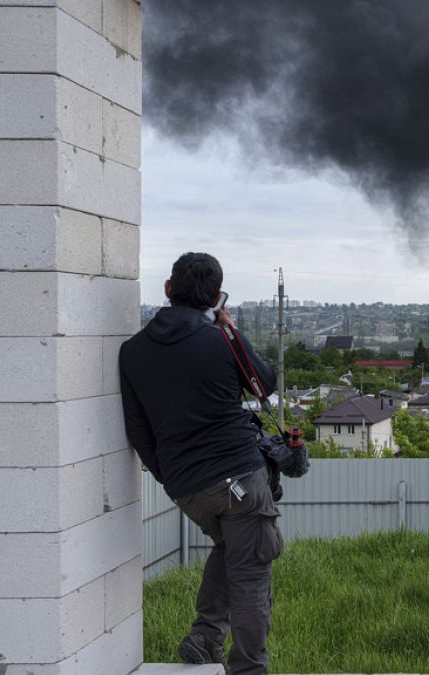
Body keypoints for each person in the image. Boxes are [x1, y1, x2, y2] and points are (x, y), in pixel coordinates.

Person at [119, 252, 281, 675]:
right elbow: (265, 384)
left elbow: (138, 433)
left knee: (231, 549)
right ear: (215, 298)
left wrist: (173, 478)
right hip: (240, 479)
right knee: (251, 572)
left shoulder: (132, 352)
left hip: (188, 489)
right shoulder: (219, 339)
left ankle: (206, 636)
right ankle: (248, 669)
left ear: (168, 289)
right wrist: (230, 330)